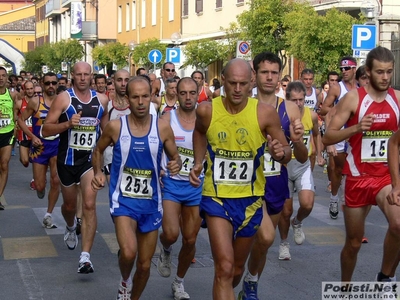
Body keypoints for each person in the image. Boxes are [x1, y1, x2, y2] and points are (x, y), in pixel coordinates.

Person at [189, 58, 291, 300]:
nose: (237, 89)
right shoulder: (207, 110)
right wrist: (197, 161)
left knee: (235, 270)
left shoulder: (264, 113)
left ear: (251, 82)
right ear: (223, 80)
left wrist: (280, 153)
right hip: (216, 197)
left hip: (251, 201)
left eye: (242, 84)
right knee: (223, 268)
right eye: (232, 83)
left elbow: (286, 153)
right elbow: (199, 132)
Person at [91, 76, 182, 300]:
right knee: (129, 252)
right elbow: (98, 150)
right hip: (123, 201)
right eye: (135, 97)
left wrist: (176, 163)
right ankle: (124, 281)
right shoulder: (115, 127)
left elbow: (176, 156)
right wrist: (98, 172)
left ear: (152, 97)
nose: (141, 102)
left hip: (151, 203)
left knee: (143, 265)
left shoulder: (162, 127)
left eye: (145, 96)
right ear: (127, 99)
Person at [323, 46, 400, 282]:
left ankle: (385, 277)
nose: (385, 77)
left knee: (398, 225)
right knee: (354, 243)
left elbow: (396, 145)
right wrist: (356, 128)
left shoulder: (398, 99)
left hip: (385, 178)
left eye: (389, 72)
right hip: (358, 177)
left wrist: (397, 184)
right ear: (368, 72)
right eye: (379, 72)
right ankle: (345, 286)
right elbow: (328, 136)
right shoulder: (354, 99)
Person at [239, 52, 307, 300]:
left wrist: (296, 142)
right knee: (265, 236)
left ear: (279, 76)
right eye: (264, 72)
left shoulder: (288, 108)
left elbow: (300, 156)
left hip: (276, 182)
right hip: (246, 184)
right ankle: (242, 279)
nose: (270, 77)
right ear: (254, 75)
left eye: (274, 72)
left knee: (264, 243)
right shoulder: (243, 103)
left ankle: (251, 279)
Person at [42, 62, 109, 274]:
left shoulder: (102, 100)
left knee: (89, 205)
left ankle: (85, 257)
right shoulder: (64, 99)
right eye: (78, 74)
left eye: (86, 74)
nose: (82, 78)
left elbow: (106, 131)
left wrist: (106, 160)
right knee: (69, 207)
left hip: (90, 161)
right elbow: (45, 129)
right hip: (66, 161)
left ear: (91, 76)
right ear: (73, 76)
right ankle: (70, 226)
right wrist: (68, 125)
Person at [156, 77, 203, 300]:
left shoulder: (206, 119)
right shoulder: (167, 118)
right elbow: (154, 146)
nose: (187, 97)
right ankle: (165, 249)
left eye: (192, 93)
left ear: (198, 93)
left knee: (191, 240)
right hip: (172, 184)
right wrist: (160, 169)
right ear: (176, 94)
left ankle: (179, 282)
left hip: (196, 185)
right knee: (171, 234)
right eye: (182, 93)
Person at [277, 81, 324, 260]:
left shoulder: (311, 116)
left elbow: (317, 134)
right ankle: (283, 244)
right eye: (294, 100)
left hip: (303, 165)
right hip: (285, 165)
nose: (298, 104)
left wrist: (319, 154)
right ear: (286, 99)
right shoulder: (281, 115)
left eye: (301, 99)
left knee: (307, 204)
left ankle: (297, 223)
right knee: (285, 210)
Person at [17, 72, 60, 229]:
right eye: (47, 83)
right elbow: (20, 120)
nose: (50, 86)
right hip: (39, 146)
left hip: (57, 144)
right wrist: (32, 136)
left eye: (53, 83)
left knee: (56, 181)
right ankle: (40, 189)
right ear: (42, 84)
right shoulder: (36, 102)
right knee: (40, 186)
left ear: (57, 84)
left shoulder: (62, 101)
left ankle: (48, 214)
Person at [320, 57, 358, 219]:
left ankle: (352, 201)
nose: (344, 71)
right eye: (342, 68)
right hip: (339, 132)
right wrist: (341, 107)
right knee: (338, 169)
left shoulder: (360, 88)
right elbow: (323, 109)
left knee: (355, 170)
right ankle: (334, 198)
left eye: (347, 68)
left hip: (355, 133)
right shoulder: (337, 88)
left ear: (354, 69)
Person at [103, 69, 131, 184]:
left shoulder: (138, 106)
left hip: (131, 155)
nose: (123, 84)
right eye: (119, 80)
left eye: (126, 80)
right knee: (114, 192)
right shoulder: (107, 106)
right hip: (111, 156)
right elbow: (102, 133)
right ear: (113, 82)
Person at [0, 66, 19, 210]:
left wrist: (15, 132)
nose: (1, 78)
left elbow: (15, 114)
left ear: (7, 78)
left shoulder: (12, 95)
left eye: (3, 75)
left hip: (8, 133)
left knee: (4, 165)